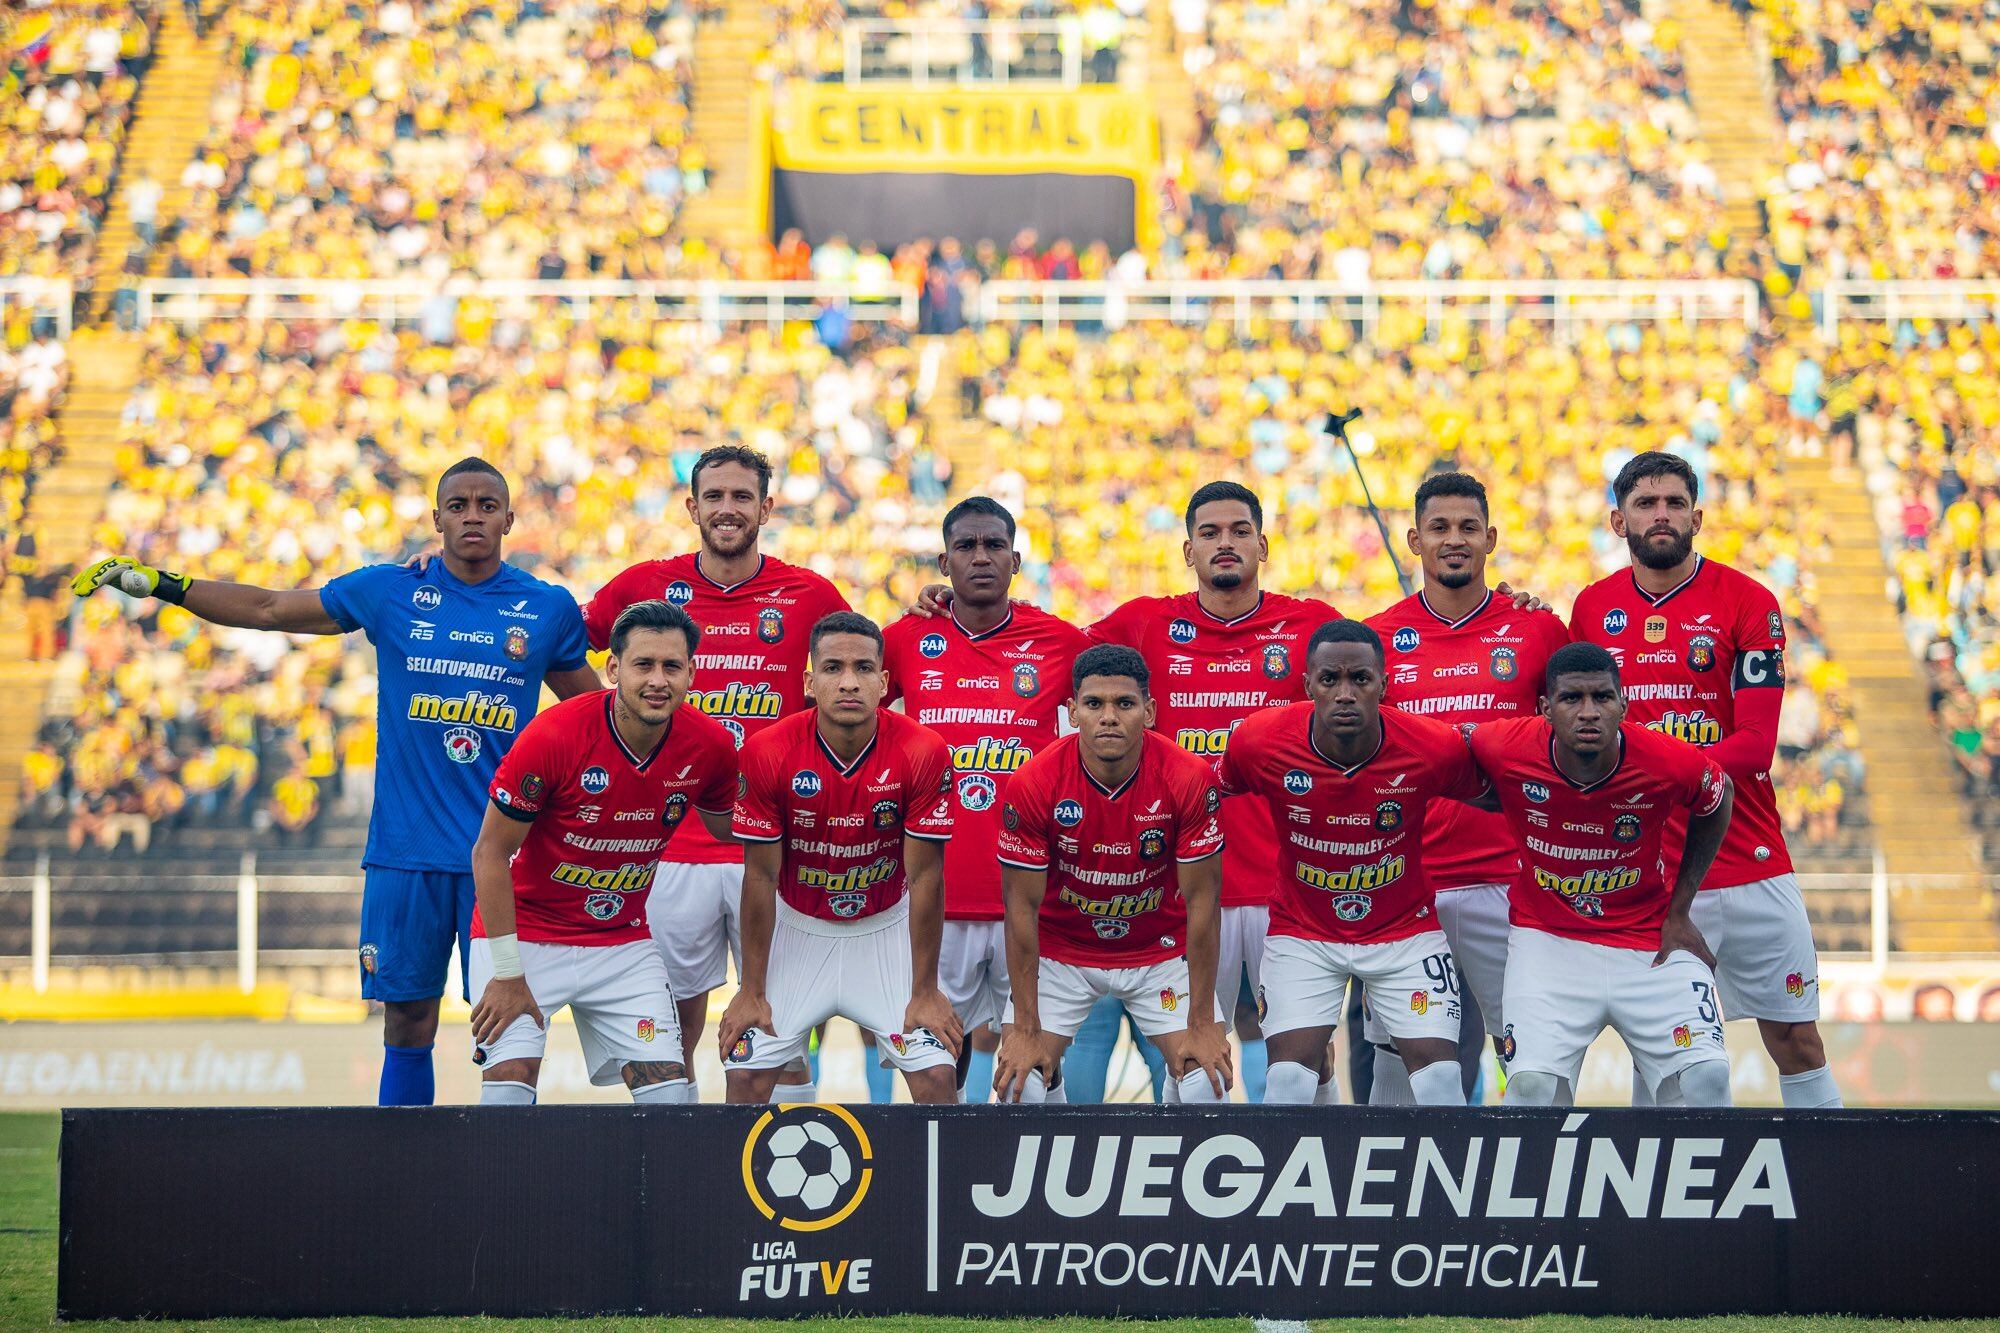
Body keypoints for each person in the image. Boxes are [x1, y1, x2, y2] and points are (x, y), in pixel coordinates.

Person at [72, 458, 598, 1106]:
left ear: (509, 519)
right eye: (457, 505)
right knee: (407, 1022)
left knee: (509, 1027)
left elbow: (593, 719)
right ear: (436, 519)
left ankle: (499, 1186)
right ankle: (401, 1177)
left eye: (487, 505)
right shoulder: (390, 591)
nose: (471, 516)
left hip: (500, 860)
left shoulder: (544, 607)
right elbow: (269, 607)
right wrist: (162, 583)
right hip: (405, 856)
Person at [1571, 452, 1843, 1109]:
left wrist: (1652, 770)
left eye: (1672, 502)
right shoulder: (1591, 608)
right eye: (1644, 503)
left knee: (1796, 1039)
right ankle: (1667, 1207)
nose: (1659, 513)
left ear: (1697, 515)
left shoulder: (1749, 601)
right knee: (1665, 1058)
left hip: (1749, 861)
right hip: (1651, 875)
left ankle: (1839, 1189)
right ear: (1618, 519)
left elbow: (1753, 746)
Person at [584, 446, 849, 1101]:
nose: (727, 508)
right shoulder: (642, 586)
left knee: (780, 1027)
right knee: (672, 1027)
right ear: (691, 506)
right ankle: (682, 1168)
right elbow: (561, 638)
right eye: (715, 496)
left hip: (776, 848)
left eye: (741, 496)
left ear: (766, 506)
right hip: (672, 850)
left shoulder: (810, 593)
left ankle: (770, 1178)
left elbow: (869, 670)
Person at [468, 600, 738, 1106]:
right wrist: (507, 973)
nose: (658, 680)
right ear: (613, 669)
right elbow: (489, 853)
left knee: (670, 1100)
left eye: (672, 666)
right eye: (643, 665)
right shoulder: (554, 735)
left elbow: (732, 829)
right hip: (524, 937)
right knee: (506, 1095)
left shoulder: (711, 746)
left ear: (691, 673)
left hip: (620, 941)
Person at [1361, 472, 1572, 1103]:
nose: (1455, 540)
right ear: (1413, 540)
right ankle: (1397, 1199)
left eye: (1468, 528)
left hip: (1511, 883)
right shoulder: (1373, 639)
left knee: (1536, 1067)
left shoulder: (1538, 629)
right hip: (1407, 886)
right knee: (1397, 1075)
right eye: (1440, 527)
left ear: (1491, 539)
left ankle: (1544, 1193)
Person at [1217, 620, 1490, 1106]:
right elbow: (1209, 794)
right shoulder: (1258, 742)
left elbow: (1505, 794)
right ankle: (1310, 1175)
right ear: (1307, 686)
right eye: (1330, 680)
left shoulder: (1433, 745)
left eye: (1360, 680)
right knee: (1288, 1085)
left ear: (1384, 685)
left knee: (1440, 1082)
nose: (1345, 694)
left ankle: (1409, 1180)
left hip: (1404, 930)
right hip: (1304, 932)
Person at [882, 496, 1090, 1102]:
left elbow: (1121, 691)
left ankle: (1031, 1192)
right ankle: (938, 1189)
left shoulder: (1059, 643)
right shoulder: (902, 640)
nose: (980, 557)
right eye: (966, 547)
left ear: (1015, 560)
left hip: (1027, 902)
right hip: (933, 902)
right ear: (944, 563)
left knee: (1029, 1077)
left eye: (993, 545)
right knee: (931, 1078)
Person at [1467, 642, 1737, 1107]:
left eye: (1603, 698)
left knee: (1706, 1080)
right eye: (1572, 699)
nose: (1588, 712)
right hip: (1546, 942)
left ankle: (1668, 1180)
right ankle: (1542, 1183)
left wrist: (1681, 910)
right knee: (1531, 1090)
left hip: (1647, 940)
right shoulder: (1502, 745)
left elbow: (1719, 796)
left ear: (1623, 706)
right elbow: (1438, 759)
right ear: (1545, 710)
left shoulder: (1667, 759)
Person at [718, 612, 961, 1104]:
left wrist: (926, 989)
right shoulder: (768, 751)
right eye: (832, 668)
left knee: (937, 1075)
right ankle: (744, 1180)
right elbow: (761, 878)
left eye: (863, 669)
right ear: (809, 681)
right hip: (800, 926)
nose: (849, 682)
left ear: (883, 682)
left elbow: (925, 875)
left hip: (884, 928)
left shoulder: (922, 749)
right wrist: (751, 988)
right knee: (745, 1073)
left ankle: (927, 1182)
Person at [991, 644, 1233, 1104]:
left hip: (1160, 952)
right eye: (1094, 704)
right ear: (1072, 712)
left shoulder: (1188, 777)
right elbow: (1020, 908)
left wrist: (1202, 1024)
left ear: (1150, 711)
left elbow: (1204, 903)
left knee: (1207, 1083)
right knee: (1019, 1090)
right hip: (1064, 955)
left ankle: (1175, 1105)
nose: (1108, 717)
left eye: (1125, 704)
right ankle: (1053, 1091)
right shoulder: (1034, 782)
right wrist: (1024, 1030)